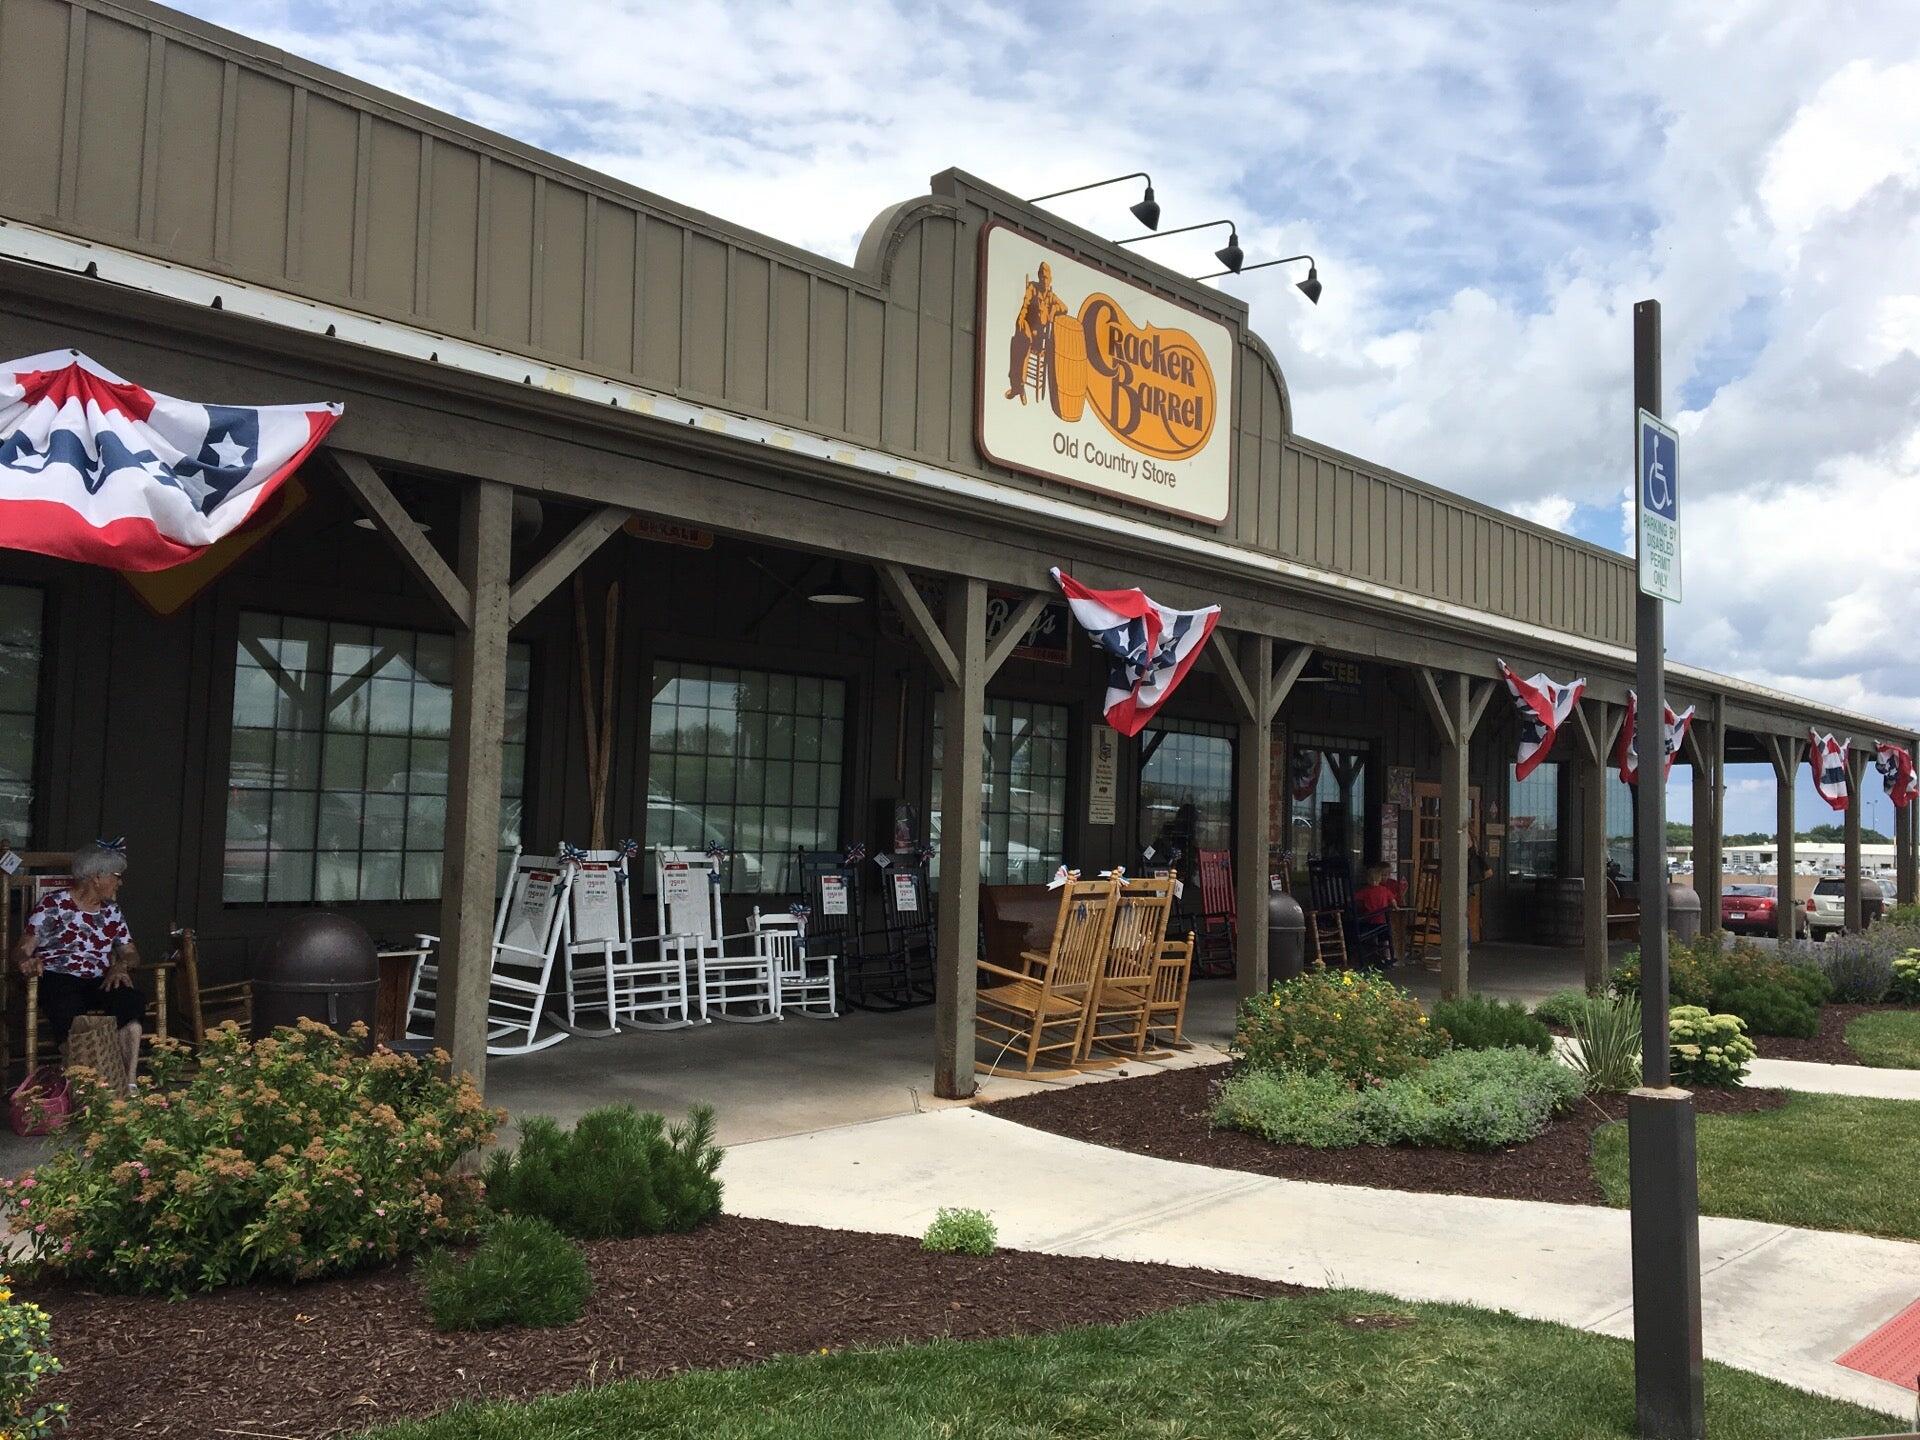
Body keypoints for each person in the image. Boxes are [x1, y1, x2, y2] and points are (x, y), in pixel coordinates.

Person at [12, 840, 145, 1091]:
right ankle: (81, 1082)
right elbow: (22, 948)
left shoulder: (112, 911)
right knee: (62, 1003)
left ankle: (128, 1081)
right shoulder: (54, 904)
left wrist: (121, 966)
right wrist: (26, 961)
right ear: (96, 877)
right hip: (58, 975)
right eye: (117, 876)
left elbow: (131, 953)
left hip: (99, 978)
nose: (120, 882)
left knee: (131, 1001)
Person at [1004, 261, 1069, 404]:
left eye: (1046, 277)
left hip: (1040, 338)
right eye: (1042, 277)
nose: (1044, 280)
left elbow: (1064, 308)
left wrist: (1053, 310)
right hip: (1027, 327)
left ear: (1050, 279)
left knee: (1021, 344)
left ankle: (1018, 387)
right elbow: (1025, 305)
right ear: (1039, 277)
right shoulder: (1032, 288)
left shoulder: (1051, 297)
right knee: (1020, 342)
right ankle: (1018, 386)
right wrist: (1021, 318)